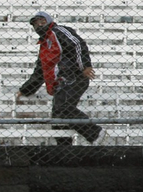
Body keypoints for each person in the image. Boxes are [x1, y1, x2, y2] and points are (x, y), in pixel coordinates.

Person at [16, 12, 106, 146]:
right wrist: (25, 90)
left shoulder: (58, 31)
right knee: (57, 117)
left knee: (64, 108)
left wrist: (85, 66)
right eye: (35, 23)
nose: (38, 24)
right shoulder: (44, 46)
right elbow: (40, 71)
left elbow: (77, 44)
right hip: (61, 83)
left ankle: (95, 133)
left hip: (74, 76)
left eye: (42, 20)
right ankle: (64, 148)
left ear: (49, 21)